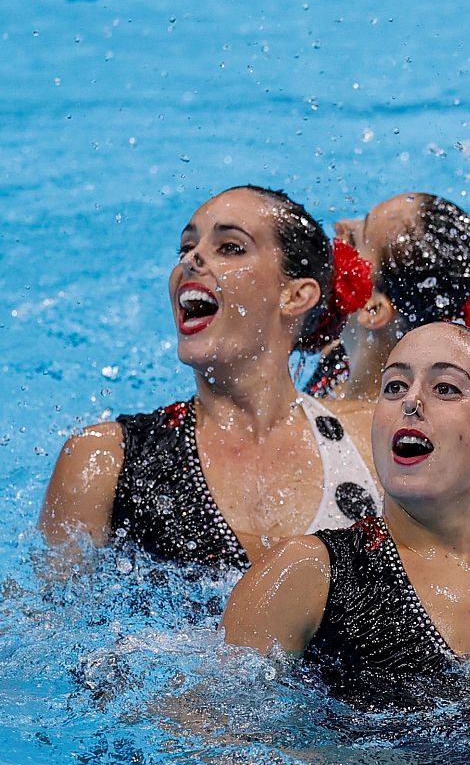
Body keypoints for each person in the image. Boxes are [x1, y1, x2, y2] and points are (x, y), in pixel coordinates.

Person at [223, 322, 470, 706]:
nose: (411, 401)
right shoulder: (307, 574)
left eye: (445, 389)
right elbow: (209, 731)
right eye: (394, 386)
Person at [39, 186, 380, 570]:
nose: (193, 259)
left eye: (230, 247)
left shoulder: (371, 442)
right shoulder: (106, 462)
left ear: (296, 295)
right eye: (185, 249)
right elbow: (40, 625)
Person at [306, 192, 470, 400]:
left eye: (353, 240)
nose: (341, 225)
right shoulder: (337, 363)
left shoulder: (361, 428)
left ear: (373, 309)